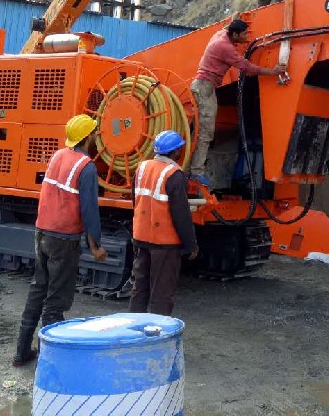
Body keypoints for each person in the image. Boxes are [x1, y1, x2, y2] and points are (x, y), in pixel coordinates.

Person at [13, 114, 107, 367]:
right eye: (95, 133)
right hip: (63, 239)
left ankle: (21, 352)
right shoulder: (86, 166)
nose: (97, 136)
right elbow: (89, 211)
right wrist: (95, 245)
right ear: (88, 137)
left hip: (42, 232)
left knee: (37, 290)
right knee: (56, 299)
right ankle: (52, 360)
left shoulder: (58, 156)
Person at [189, 17, 286, 189]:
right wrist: (273, 72)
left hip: (204, 86)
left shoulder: (221, 34)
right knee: (206, 131)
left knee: (200, 130)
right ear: (234, 34)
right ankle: (196, 172)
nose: (247, 37)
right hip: (205, 88)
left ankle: (193, 168)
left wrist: (237, 17)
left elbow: (226, 25)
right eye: (244, 34)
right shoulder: (224, 48)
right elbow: (247, 68)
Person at [130, 130, 199, 316]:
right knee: (162, 292)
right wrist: (191, 244)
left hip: (140, 237)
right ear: (176, 151)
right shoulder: (175, 175)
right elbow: (181, 215)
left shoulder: (141, 168)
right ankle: (158, 335)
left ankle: (133, 329)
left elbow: (135, 201)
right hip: (164, 244)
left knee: (140, 288)